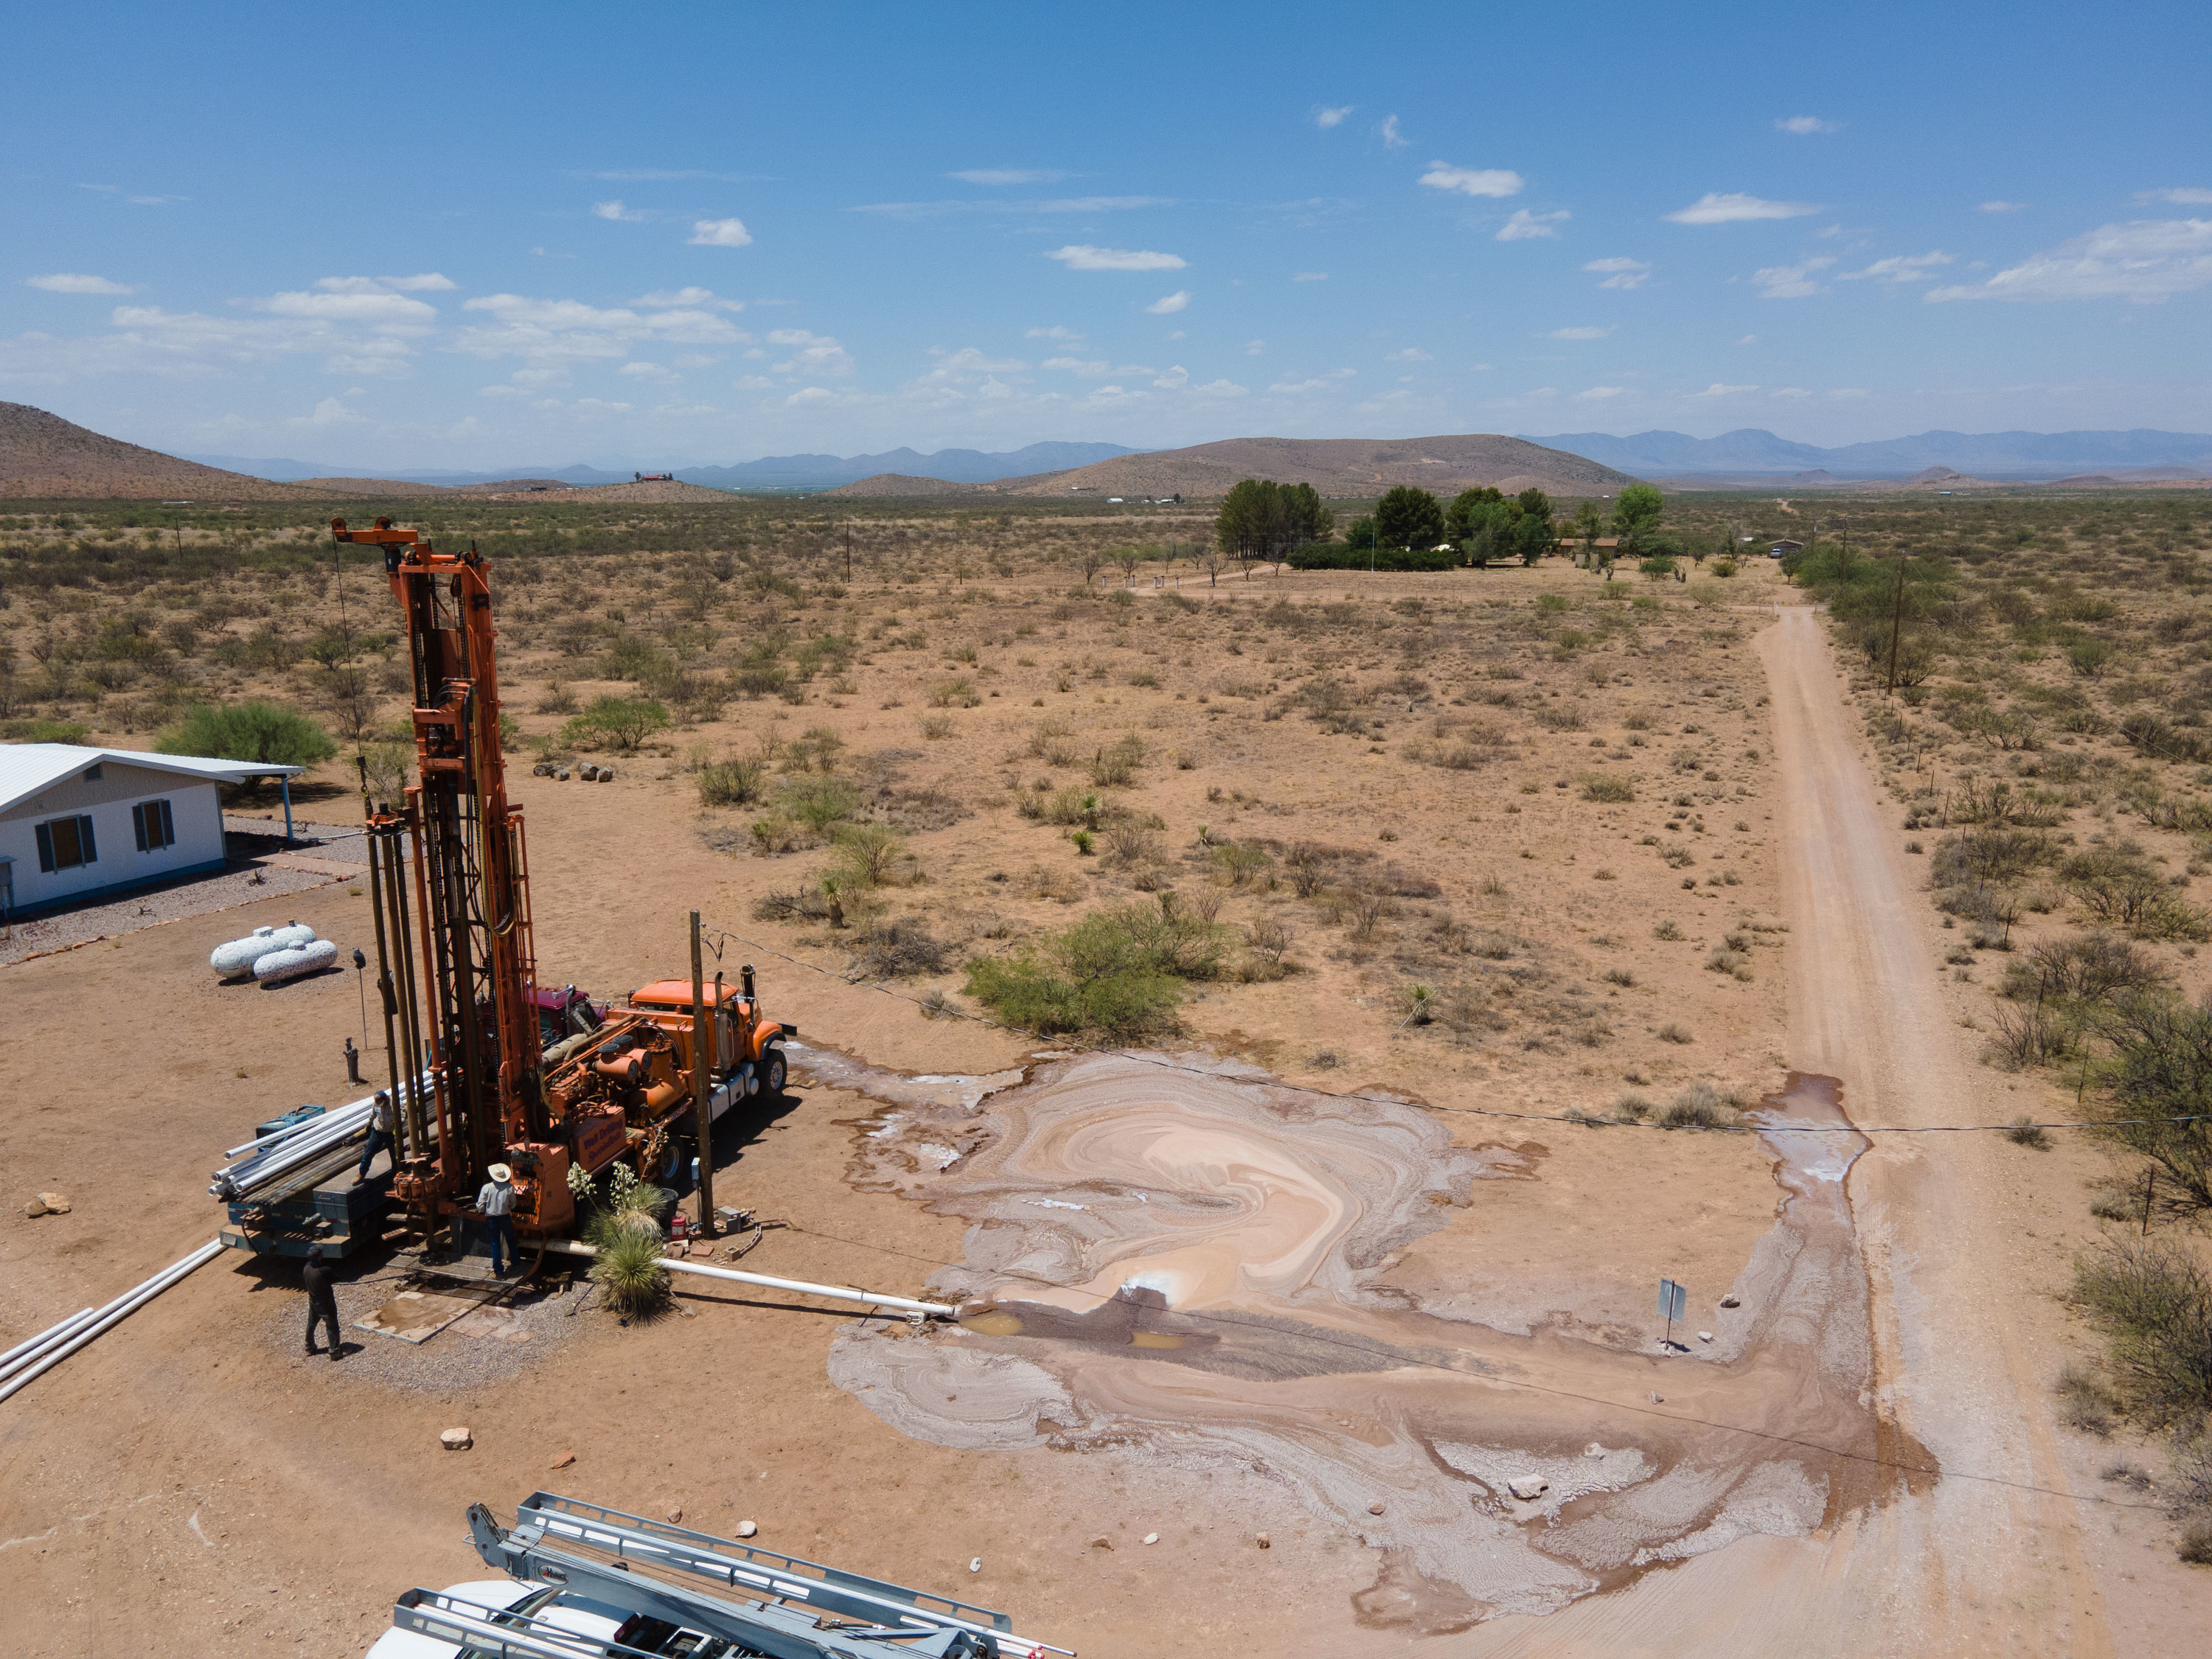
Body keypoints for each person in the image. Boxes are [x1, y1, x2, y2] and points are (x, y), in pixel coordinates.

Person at [302, 1242, 341, 1361]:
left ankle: (309, 1347)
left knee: (311, 1324)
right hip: (325, 1303)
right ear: (320, 1256)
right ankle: (334, 1352)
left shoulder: (306, 1268)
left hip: (313, 1301)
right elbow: (336, 1278)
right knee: (332, 1326)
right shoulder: (324, 1270)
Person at [479, 1162, 517, 1278]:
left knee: (495, 1244)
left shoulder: (486, 1188)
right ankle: (515, 1263)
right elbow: (513, 1205)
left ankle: (498, 1271)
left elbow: (480, 1205)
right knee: (510, 1240)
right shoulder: (509, 1188)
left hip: (491, 1218)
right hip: (504, 1217)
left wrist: (481, 1211)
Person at [358, 1091, 397, 1182]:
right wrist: (368, 1125)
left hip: (390, 1133)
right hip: (378, 1131)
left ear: (386, 1098)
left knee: (395, 1154)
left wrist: (397, 1125)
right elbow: (373, 1115)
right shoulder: (376, 1104)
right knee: (369, 1152)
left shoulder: (395, 1104)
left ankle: (396, 1172)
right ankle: (362, 1173)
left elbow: (403, 1116)